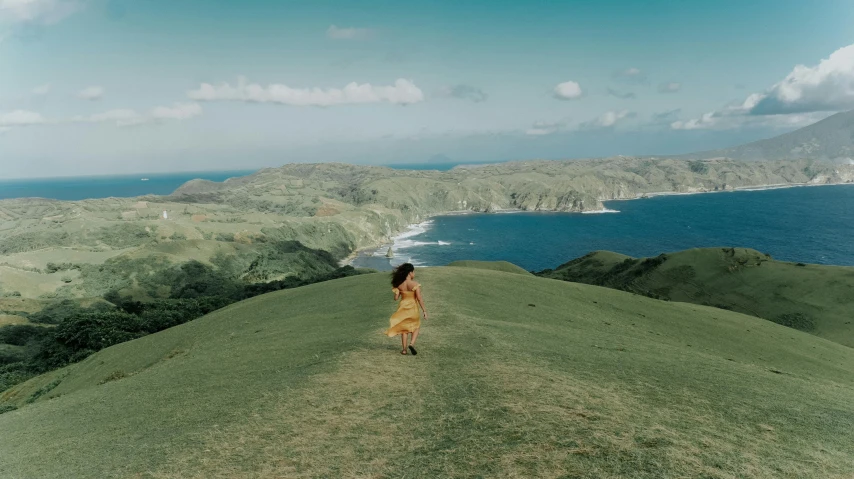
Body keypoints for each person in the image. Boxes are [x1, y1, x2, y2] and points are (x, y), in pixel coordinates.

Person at [385, 263, 428, 355]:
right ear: (410, 273)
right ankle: (411, 344)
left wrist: (397, 292)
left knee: (404, 329)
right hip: (413, 308)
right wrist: (424, 311)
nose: (414, 274)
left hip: (403, 308)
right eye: (413, 272)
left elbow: (396, 298)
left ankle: (404, 350)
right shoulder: (415, 284)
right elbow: (419, 298)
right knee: (416, 326)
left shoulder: (399, 284)